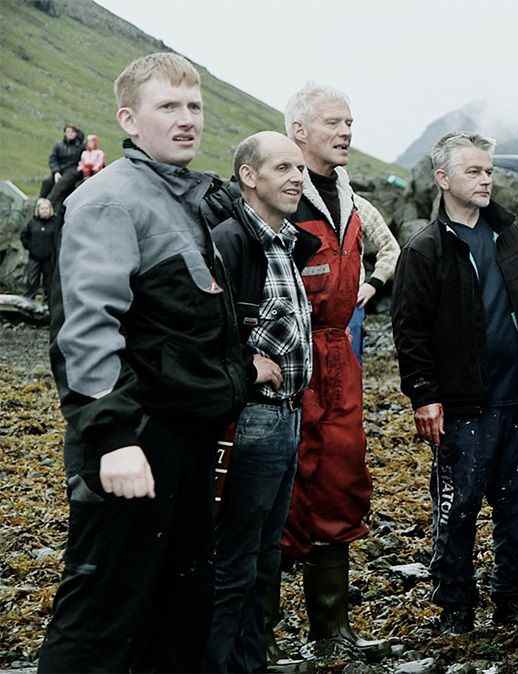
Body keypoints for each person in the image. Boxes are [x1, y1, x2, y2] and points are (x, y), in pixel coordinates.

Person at [38, 52, 264, 673]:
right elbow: (85, 330)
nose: (187, 119)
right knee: (102, 613)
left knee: (177, 608)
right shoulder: (110, 202)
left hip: (184, 444)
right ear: (129, 120)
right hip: (133, 440)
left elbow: (186, 327)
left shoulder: (184, 198)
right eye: (168, 106)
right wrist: (112, 438)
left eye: (194, 106)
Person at [392, 132, 518, 634]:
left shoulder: (511, 235)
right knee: (457, 509)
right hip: (463, 406)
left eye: (488, 171)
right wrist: (425, 395)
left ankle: (513, 602)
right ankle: (455, 608)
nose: (486, 179)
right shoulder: (425, 248)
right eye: (473, 172)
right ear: (443, 179)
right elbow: (409, 329)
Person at [276, 83, 386, 659]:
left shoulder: (348, 196)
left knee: (340, 484)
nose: (346, 132)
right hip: (288, 360)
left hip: (340, 355)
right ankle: (258, 629)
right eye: (333, 122)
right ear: (298, 130)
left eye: (350, 122)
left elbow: (386, 256)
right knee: (278, 489)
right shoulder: (277, 196)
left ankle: (330, 628)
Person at [206, 131, 320, 673]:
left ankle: (251, 663)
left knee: (266, 557)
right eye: (283, 168)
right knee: (234, 561)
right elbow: (201, 329)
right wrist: (245, 366)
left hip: (287, 415)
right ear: (249, 176)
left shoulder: (286, 240)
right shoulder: (229, 241)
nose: (298, 177)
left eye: (299, 168)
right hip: (249, 420)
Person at [347, 193, 400, 363]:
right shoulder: (296, 200)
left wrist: (373, 284)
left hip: (352, 306)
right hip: (307, 308)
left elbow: (391, 248)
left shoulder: (356, 203)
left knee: (351, 371)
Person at [20, 198, 56, 300]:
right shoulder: (32, 223)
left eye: (47, 208)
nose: (45, 210)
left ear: (50, 210)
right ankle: (29, 298)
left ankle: (49, 299)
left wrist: (54, 251)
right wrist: (29, 246)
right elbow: (24, 236)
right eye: (42, 208)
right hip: (34, 257)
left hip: (49, 258)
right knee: (32, 279)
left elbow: (58, 238)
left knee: (48, 280)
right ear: (38, 210)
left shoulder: (54, 223)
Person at [40, 123, 85, 205]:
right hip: (60, 170)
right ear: (65, 133)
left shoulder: (81, 146)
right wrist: (56, 171)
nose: (70, 134)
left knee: (62, 182)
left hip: (74, 170)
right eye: (68, 132)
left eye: (72, 132)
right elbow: (53, 159)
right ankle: (40, 202)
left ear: (76, 133)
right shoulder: (59, 145)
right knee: (47, 181)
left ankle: (49, 203)